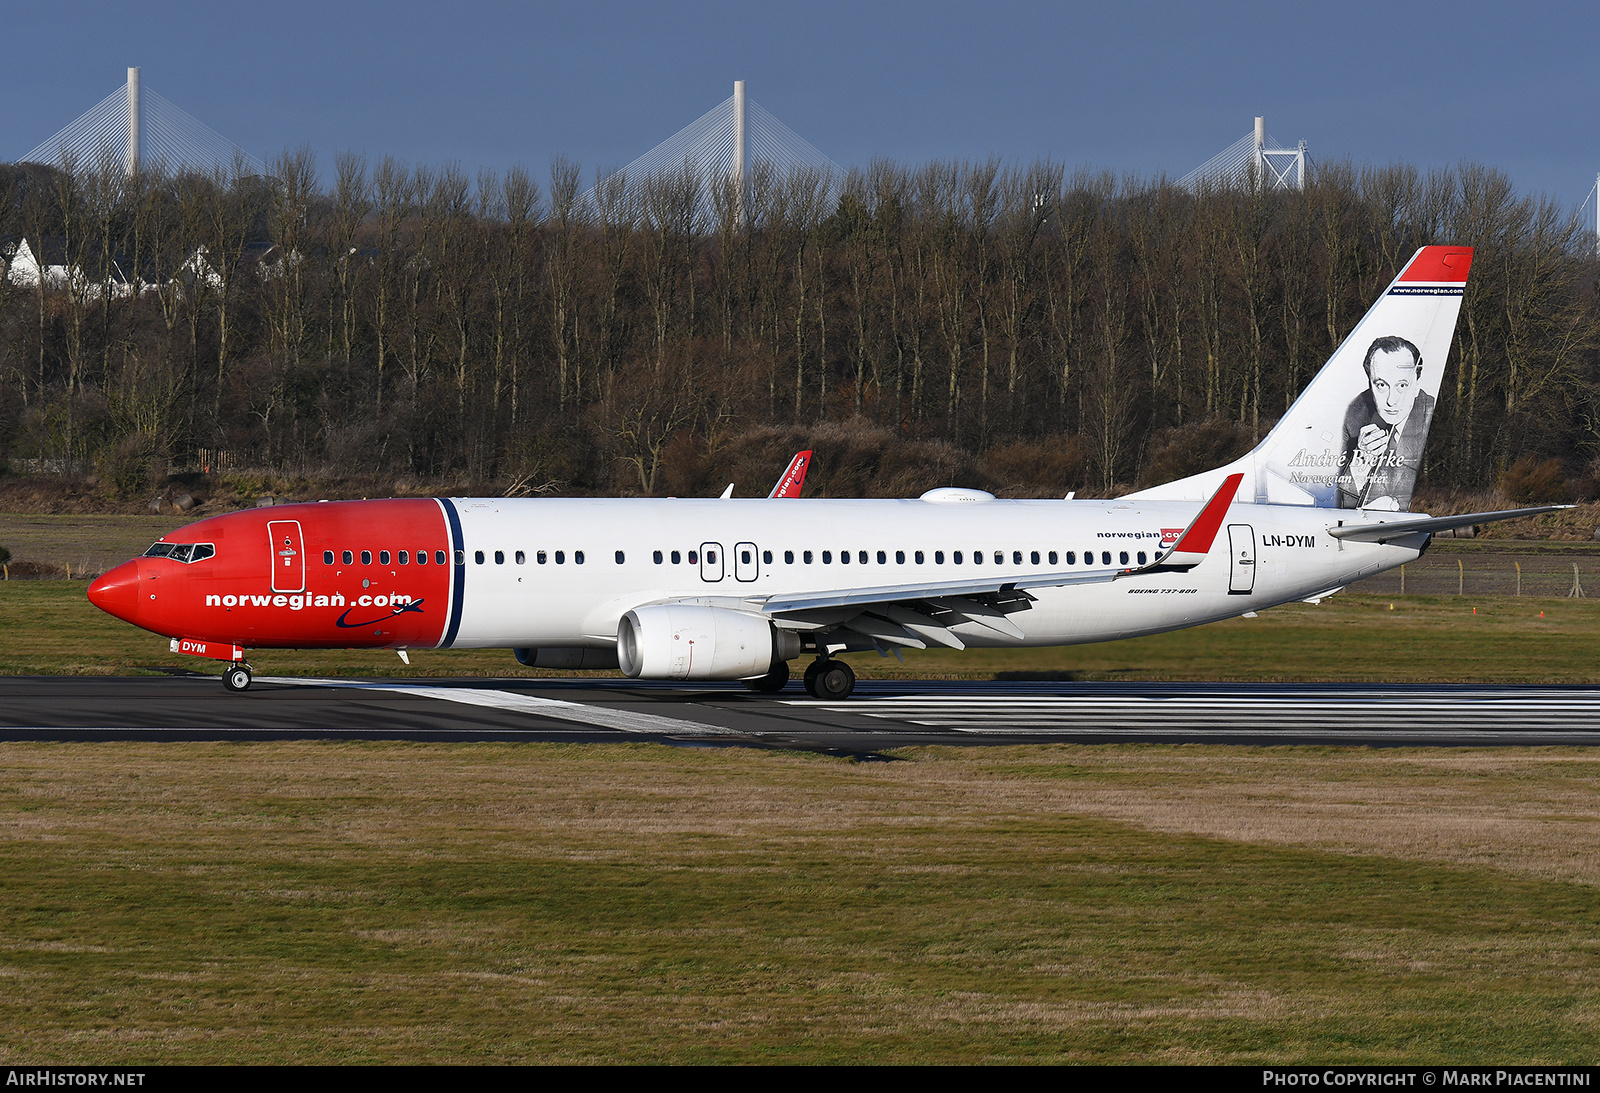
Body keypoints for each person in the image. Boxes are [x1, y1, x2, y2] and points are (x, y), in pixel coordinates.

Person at [1337, 335, 1435, 510]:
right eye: (1381, 385)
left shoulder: (1432, 418)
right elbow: (1344, 507)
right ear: (1370, 383)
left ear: (1418, 384)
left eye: (1402, 386)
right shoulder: (1353, 418)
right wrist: (1361, 464)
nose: (1391, 400)